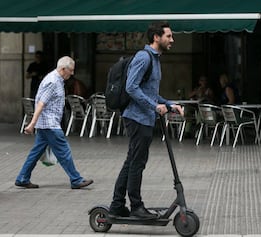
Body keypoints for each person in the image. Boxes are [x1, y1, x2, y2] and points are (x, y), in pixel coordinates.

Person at [108, 21, 184, 219]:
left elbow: (149, 92)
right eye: (169, 36)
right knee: (137, 163)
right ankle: (136, 207)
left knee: (131, 161)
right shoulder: (144, 58)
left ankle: (117, 205)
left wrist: (168, 104)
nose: (172, 40)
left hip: (144, 118)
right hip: (137, 118)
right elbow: (131, 87)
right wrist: (154, 107)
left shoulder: (155, 59)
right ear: (156, 37)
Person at [15, 56, 93, 189]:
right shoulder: (53, 81)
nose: (72, 73)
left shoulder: (56, 79)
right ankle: (76, 179)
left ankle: (22, 177)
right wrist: (32, 124)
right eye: (71, 70)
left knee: (36, 152)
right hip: (49, 124)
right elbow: (41, 103)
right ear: (63, 69)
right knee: (64, 151)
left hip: (46, 123)